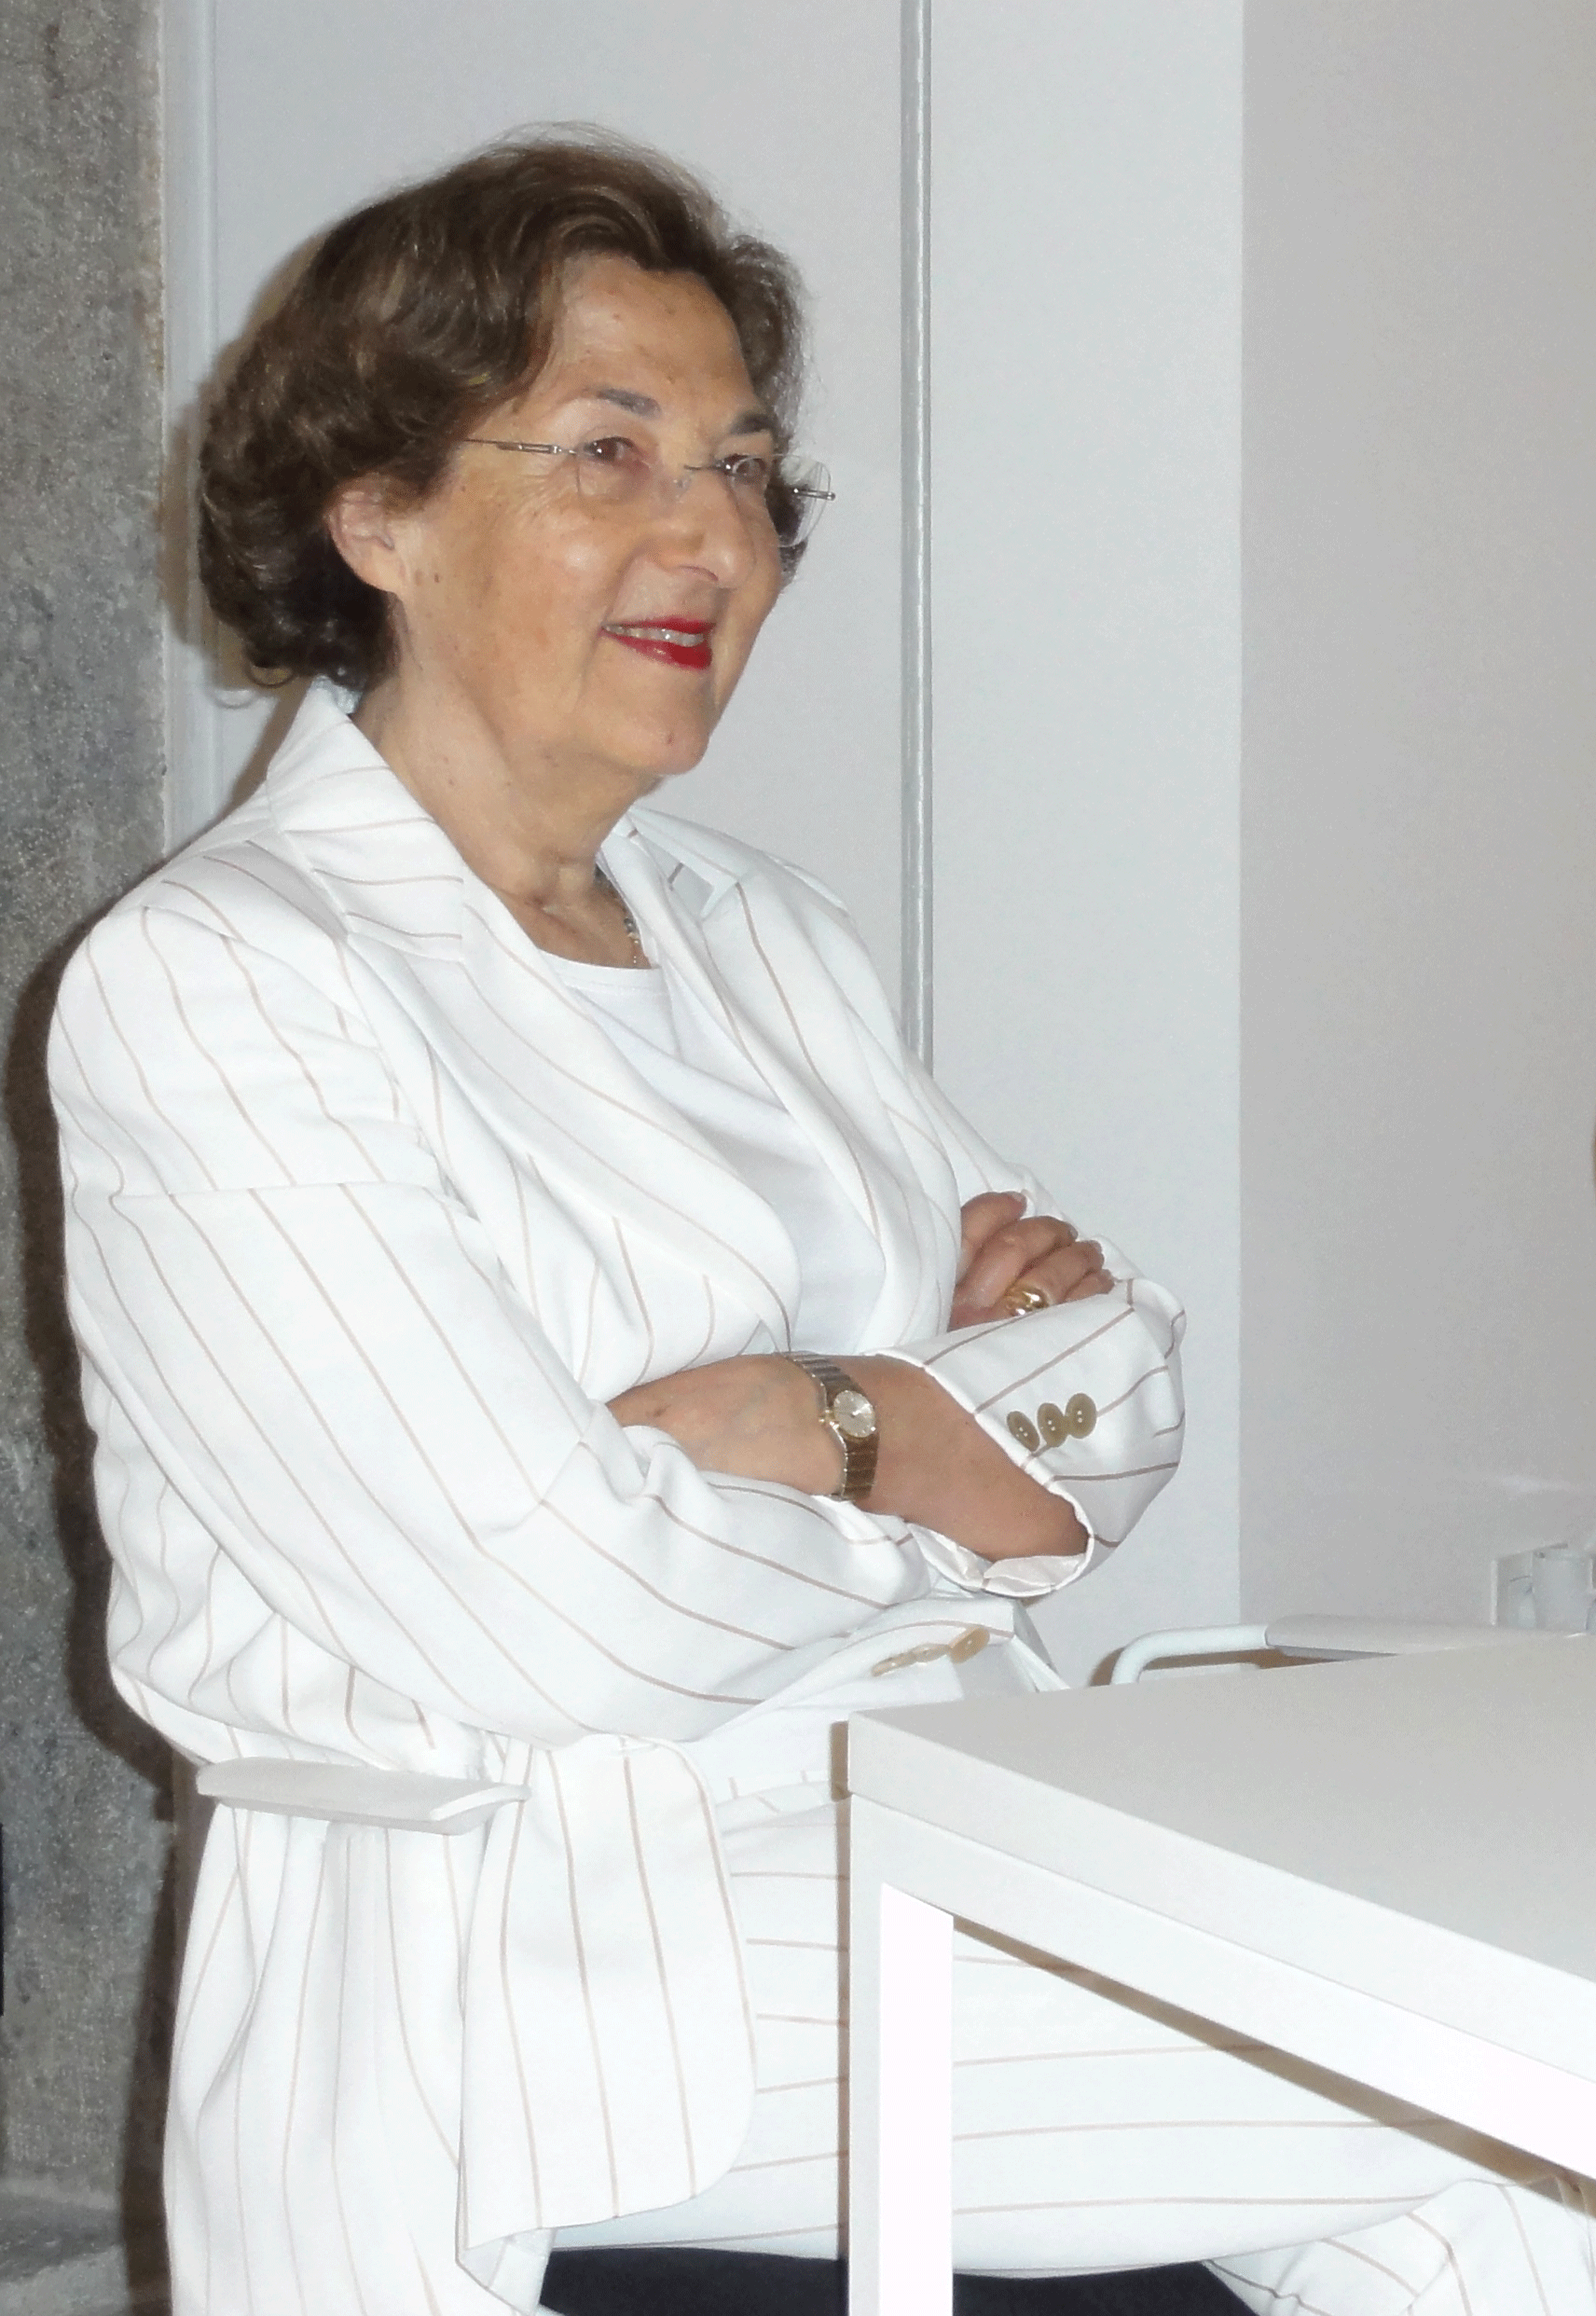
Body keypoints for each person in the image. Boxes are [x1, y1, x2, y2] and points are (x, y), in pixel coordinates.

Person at [49, 132, 1594, 2316]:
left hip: (944, 1806)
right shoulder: (223, 981)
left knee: (1500, 2148)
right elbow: (554, 1614)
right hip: (558, 1956)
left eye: (747, 470)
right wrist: (924, 1445)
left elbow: (1114, 1384)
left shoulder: (756, 929)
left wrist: (821, 1422)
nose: (713, 537)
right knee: (1494, 2083)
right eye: (611, 450)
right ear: (373, 513)